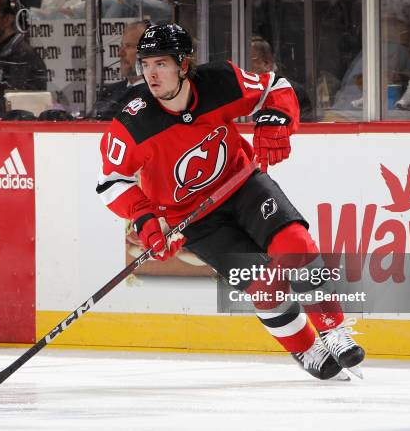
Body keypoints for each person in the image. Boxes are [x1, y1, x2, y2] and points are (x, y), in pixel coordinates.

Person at [96, 23, 365, 380]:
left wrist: (277, 118)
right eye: (145, 64)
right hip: (195, 220)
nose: (151, 73)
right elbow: (112, 182)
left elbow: (275, 87)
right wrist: (146, 220)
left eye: (160, 63)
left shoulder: (220, 82)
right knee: (265, 285)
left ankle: (333, 329)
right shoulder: (133, 121)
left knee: (295, 246)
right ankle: (305, 348)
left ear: (183, 64)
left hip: (242, 186)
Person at [90, 20, 149, 120]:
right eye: (122, 46)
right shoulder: (109, 92)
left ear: (147, 52)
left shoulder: (156, 94)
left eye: (129, 46)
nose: (120, 53)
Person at [251, 36, 313, 122]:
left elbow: (304, 128)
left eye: (249, 61)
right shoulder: (243, 91)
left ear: (266, 63)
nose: (240, 69)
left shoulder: (293, 91)